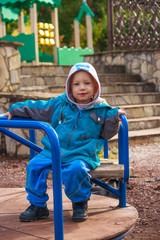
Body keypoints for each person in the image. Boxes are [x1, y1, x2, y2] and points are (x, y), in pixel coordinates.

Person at [4, 62, 126, 222]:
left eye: (87, 83)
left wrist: (113, 119)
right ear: (69, 87)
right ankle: (38, 205)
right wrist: (15, 110)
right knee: (34, 166)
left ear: (96, 87)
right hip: (54, 151)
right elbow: (38, 107)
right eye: (76, 84)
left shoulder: (102, 110)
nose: (82, 88)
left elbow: (107, 134)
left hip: (81, 154)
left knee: (76, 170)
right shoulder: (60, 104)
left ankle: (80, 202)